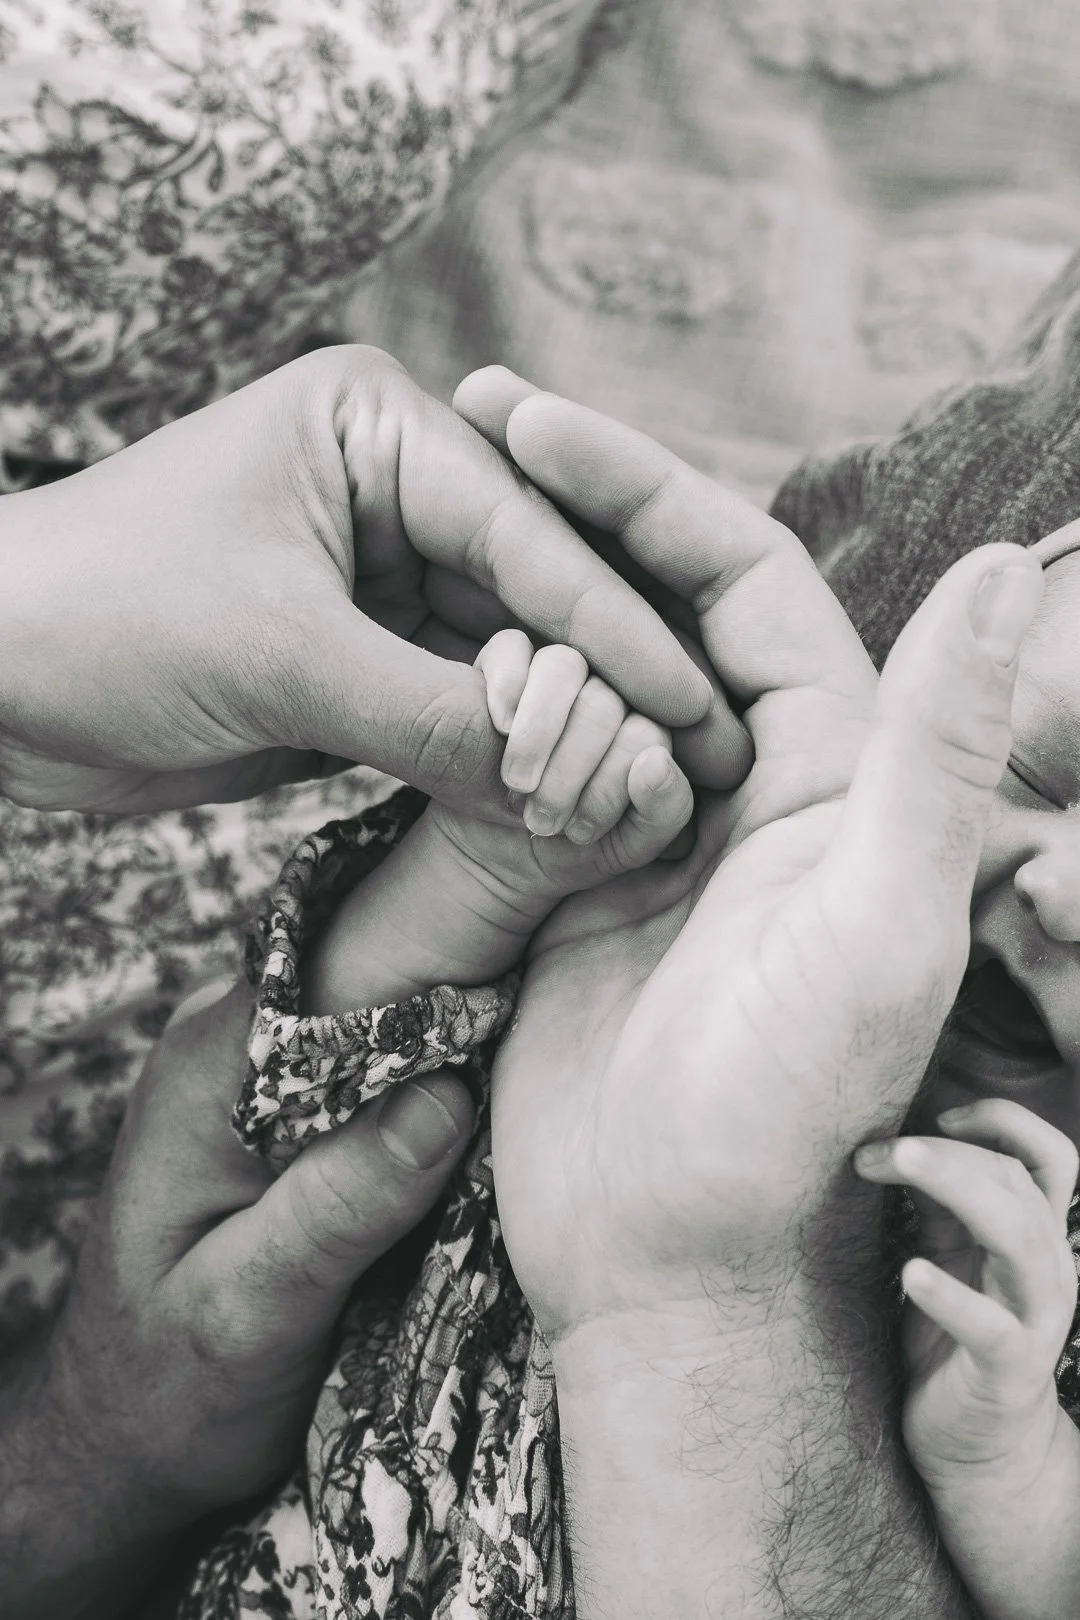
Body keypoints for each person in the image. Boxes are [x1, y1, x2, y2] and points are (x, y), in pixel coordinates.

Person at [0, 359, 1052, 1620]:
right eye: (1044, 769)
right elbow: (308, 1058)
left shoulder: (1024, 1286)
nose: (1065, 897)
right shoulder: (670, 915)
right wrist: (505, 848)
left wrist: (1012, 1470)